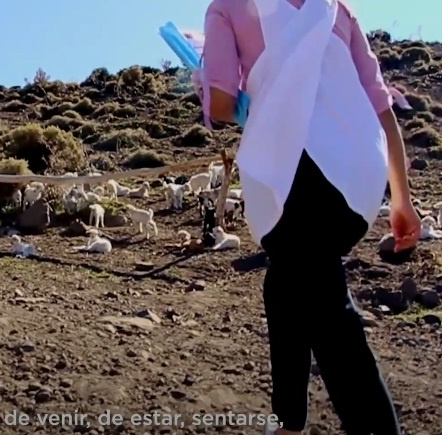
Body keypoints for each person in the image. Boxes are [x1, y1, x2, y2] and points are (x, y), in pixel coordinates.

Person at [201, 0, 421, 434]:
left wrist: (211, 89)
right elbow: (380, 105)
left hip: (295, 177)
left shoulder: (227, 7)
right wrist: (402, 200)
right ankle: (288, 422)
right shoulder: (336, 7)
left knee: (330, 315)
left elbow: (224, 105)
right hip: (359, 175)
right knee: (285, 281)